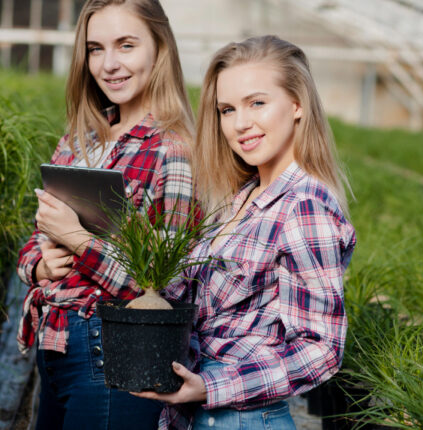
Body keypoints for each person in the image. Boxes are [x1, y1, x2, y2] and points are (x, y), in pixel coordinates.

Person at [132, 35, 357, 430]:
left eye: (257, 103)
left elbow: (321, 350)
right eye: (226, 109)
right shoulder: (243, 198)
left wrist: (210, 386)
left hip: (243, 419)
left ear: (297, 103)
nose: (240, 124)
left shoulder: (303, 205)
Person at [15, 1, 195, 428]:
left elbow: (166, 283)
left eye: (126, 45)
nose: (109, 64)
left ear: (160, 48)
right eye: (96, 49)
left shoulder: (173, 149)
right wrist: (41, 266)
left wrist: (77, 240)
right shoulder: (79, 140)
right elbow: (34, 237)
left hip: (112, 351)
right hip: (56, 346)